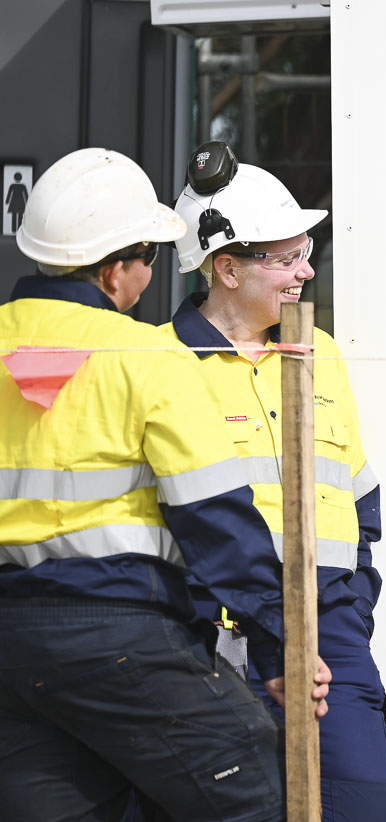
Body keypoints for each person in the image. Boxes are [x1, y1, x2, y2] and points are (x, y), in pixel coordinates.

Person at [0, 147, 330, 822]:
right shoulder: (148, 353)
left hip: (12, 645)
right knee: (259, 791)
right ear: (118, 265)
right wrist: (277, 647)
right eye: (149, 258)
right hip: (120, 632)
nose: (151, 276)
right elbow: (216, 519)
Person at [167, 141, 386, 821]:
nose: (305, 272)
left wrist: (350, 608)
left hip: (329, 626)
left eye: (307, 252)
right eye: (286, 258)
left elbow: (359, 497)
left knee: (368, 805)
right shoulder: (164, 363)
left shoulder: (319, 352)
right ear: (228, 267)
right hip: (208, 635)